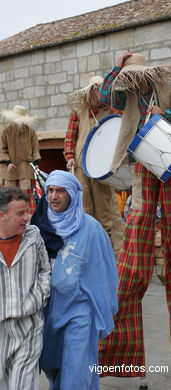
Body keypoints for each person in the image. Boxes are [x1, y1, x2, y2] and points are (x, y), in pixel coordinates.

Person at [98, 52, 171, 387]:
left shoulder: (164, 85)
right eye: (129, 75)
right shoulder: (124, 92)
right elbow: (102, 97)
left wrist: (165, 113)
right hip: (144, 165)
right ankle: (122, 359)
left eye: (136, 75)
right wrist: (118, 64)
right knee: (132, 269)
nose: (135, 80)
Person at [32, 170, 118, 390]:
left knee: (77, 368)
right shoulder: (39, 225)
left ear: (72, 194)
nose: (53, 196)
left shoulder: (91, 228)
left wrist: (105, 305)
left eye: (60, 191)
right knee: (55, 365)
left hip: (80, 310)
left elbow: (105, 270)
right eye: (50, 190)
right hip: (49, 309)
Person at [64, 75, 124, 257]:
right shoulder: (79, 111)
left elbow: (120, 133)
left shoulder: (113, 111)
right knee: (83, 207)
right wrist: (69, 156)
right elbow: (70, 136)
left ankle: (107, 251)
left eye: (101, 90)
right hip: (80, 165)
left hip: (101, 168)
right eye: (96, 90)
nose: (99, 94)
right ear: (90, 92)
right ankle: (86, 249)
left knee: (105, 209)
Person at [0, 186, 50, 390]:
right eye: (20, 213)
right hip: (1, 329)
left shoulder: (33, 237)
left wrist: (36, 299)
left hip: (30, 326)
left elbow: (45, 271)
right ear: (2, 216)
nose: (26, 218)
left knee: (23, 385)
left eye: (27, 212)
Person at [0, 105, 41, 213]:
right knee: (9, 192)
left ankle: (27, 213)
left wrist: (36, 162)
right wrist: (8, 162)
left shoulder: (31, 132)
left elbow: (35, 148)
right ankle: (8, 213)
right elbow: (2, 149)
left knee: (25, 192)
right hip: (10, 167)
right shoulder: (6, 131)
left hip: (26, 165)